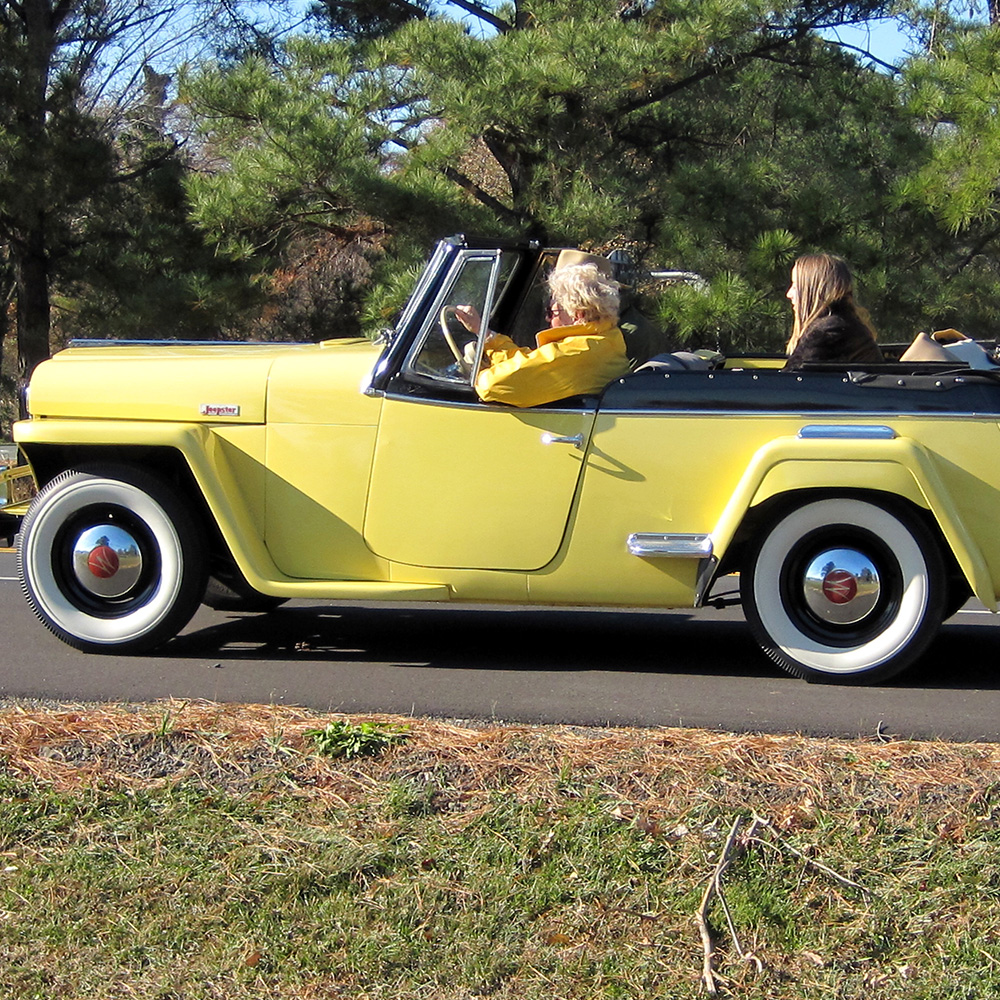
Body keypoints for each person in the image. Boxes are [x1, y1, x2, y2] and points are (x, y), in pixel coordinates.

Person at [455, 252, 631, 407]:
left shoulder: (577, 352)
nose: (547, 318)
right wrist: (485, 334)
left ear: (578, 314)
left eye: (551, 311)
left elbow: (492, 386)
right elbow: (532, 362)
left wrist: (477, 374)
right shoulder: (605, 339)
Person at [783, 254, 882, 369]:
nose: (789, 294)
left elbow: (790, 382)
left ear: (813, 291)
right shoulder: (844, 324)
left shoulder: (828, 333)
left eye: (795, 286)